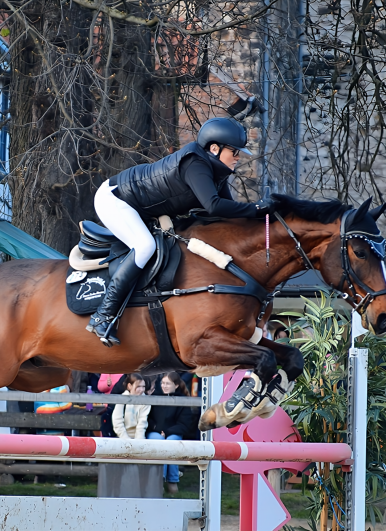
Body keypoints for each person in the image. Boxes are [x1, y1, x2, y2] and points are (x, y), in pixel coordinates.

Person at [88, 117, 273, 346]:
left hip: (142, 207)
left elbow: (226, 215)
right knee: (145, 246)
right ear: (214, 149)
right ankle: (103, 315)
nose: (238, 157)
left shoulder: (216, 171)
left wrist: (263, 216)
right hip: (116, 199)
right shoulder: (195, 164)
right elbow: (214, 206)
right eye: (234, 152)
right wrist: (256, 208)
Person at [147, 373, 193, 494]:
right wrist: (157, 429)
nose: (164, 386)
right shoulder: (154, 397)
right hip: (155, 432)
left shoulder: (183, 401)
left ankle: (172, 481)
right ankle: (159, 480)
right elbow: (148, 418)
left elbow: (184, 424)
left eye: (168, 383)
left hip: (173, 432)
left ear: (176, 385)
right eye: (163, 383)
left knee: (171, 443)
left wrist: (167, 432)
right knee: (159, 442)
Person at [111, 374, 151, 439]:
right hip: (122, 437)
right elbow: (117, 422)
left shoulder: (145, 401)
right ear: (130, 386)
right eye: (138, 386)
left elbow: (142, 424)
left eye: (143, 386)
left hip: (138, 437)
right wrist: (126, 440)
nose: (141, 389)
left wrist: (138, 442)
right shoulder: (122, 399)